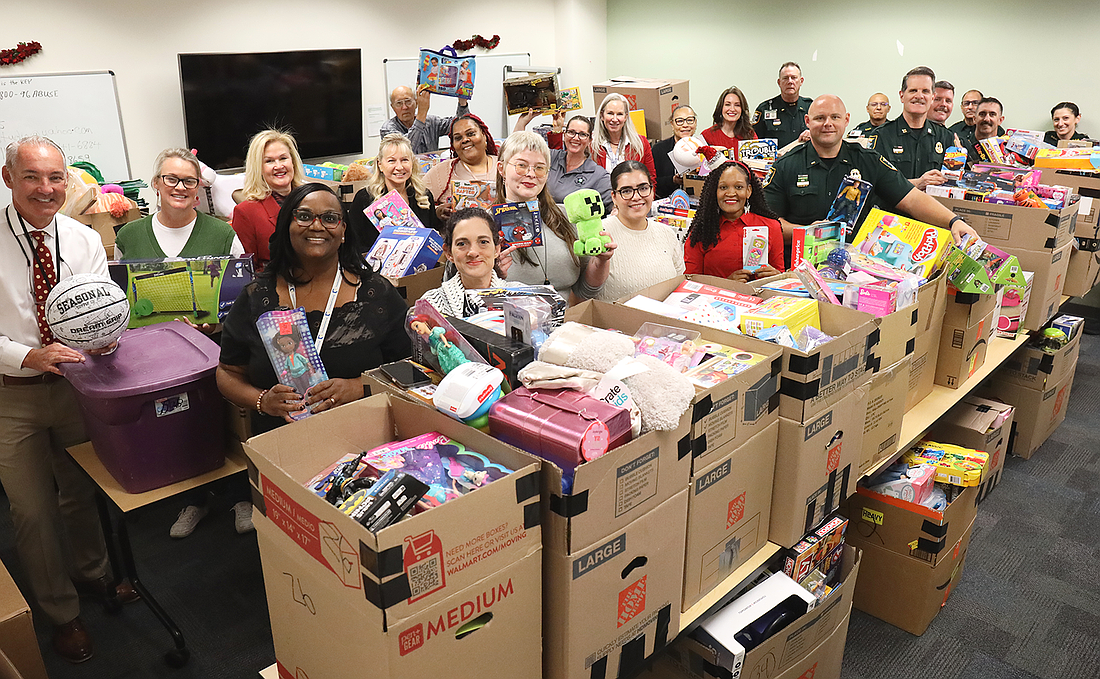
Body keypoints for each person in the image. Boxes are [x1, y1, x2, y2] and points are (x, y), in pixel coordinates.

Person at [1, 136, 138, 664]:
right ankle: (61, 613)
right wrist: (27, 356)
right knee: (32, 511)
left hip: (76, 389)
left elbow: (102, 311)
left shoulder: (83, 239)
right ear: (9, 178)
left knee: (81, 493)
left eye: (56, 177)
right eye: (32, 176)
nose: (46, 188)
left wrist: (104, 337)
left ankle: (93, 575)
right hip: (12, 397)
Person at [218, 183, 410, 435]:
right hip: (279, 443)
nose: (317, 226)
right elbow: (228, 372)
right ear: (287, 225)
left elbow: (411, 367)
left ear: (343, 230)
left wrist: (359, 387)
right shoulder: (257, 297)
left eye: (329, 218)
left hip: (362, 440)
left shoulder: (376, 295)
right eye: (304, 216)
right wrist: (262, 401)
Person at [762, 95, 979, 246]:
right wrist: (807, 232)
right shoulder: (786, 165)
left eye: (835, 117)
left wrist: (954, 221)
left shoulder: (868, 160)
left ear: (846, 120)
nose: (828, 124)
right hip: (801, 267)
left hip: (859, 268)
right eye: (820, 118)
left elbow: (912, 199)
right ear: (807, 121)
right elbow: (767, 225)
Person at [495, 131, 615, 301]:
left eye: (539, 168)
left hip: (565, 316)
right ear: (501, 169)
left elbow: (587, 291)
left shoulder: (567, 216)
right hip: (508, 315)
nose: (531, 174)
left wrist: (602, 260)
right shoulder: (485, 225)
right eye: (521, 165)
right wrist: (492, 275)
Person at [116, 148, 244, 260]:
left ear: (197, 187)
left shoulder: (223, 236)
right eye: (171, 179)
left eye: (189, 181)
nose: (181, 187)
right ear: (156, 183)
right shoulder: (128, 237)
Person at [595, 161, 684, 302]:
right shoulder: (600, 234)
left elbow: (679, 285)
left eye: (643, 188)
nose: (636, 197)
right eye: (626, 191)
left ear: (652, 191)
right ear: (614, 197)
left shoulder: (667, 234)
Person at [684, 160, 784, 281]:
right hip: (715, 293)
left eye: (738, 187)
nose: (731, 193)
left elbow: (781, 277)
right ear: (714, 192)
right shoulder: (701, 231)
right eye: (723, 187)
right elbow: (690, 282)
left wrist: (777, 276)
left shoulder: (771, 227)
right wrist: (727, 284)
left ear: (748, 191)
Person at [869, 67, 958, 190]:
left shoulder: (946, 137)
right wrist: (917, 184)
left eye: (925, 91)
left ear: (932, 97)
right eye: (913, 90)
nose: (919, 96)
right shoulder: (882, 136)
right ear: (902, 96)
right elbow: (873, 183)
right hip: (893, 203)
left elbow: (952, 186)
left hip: (932, 203)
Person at [231, 129, 307, 272]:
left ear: (293, 162)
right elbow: (247, 270)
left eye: (283, 158)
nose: (278, 166)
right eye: (269, 161)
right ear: (258, 168)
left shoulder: (312, 199)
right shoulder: (246, 211)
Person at [348, 133, 439, 249]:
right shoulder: (364, 198)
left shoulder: (424, 196)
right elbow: (353, 243)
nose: (399, 167)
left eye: (404, 160)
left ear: (412, 163)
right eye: (391, 161)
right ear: (380, 165)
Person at [419, 207, 512, 317]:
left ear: (496, 249)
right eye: (462, 244)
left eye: (483, 242)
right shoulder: (431, 304)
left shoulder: (522, 298)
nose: (473, 252)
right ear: (449, 253)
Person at [515, 111, 613, 210]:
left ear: (590, 140)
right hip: (536, 216)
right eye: (571, 132)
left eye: (582, 134)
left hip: (569, 220)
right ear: (564, 135)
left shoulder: (597, 175)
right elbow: (518, 151)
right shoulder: (551, 157)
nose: (576, 138)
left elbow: (614, 205)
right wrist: (522, 122)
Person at [424, 113, 499, 223]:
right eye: (458, 138)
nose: (464, 140)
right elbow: (417, 204)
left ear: (484, 135)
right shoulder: (442, 171)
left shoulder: (504, 166)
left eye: (470, 134)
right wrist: (437, 211)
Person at [379, 85, 470, 155]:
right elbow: (406, 150)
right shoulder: (387, 129)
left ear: (416, 103)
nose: (405, 107)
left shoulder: (431, 121)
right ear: (393, 107)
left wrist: (462, 103)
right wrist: (422, 113)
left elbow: (460, 125)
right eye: (399, 103)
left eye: (408, 101)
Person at [592, 93, 657, 179]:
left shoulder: (641, 143)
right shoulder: (591, 144)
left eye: (619, 114)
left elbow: (651, 178)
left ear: (626, 117)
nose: (614, 119)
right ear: (602, 115)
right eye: (610, 113)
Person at [752, 62, 813, 148]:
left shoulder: (811, 108)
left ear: (801, 81)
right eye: (785, 78)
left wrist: (813, 134)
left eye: (794, 77)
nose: (790, 81)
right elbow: (753, 142)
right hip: (777, 156)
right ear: (779, 82)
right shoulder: (764, 109)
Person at [652, 104, 699, 198]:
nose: (685, 125)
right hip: (666, 201)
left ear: (695, 123)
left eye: (690, 120)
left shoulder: (703, 147)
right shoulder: (659, 149)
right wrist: (673, 180)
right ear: (672, 124)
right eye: (680, 121)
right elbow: (653, 182)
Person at [970, 98, 1006, 164]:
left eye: (992, 114)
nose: (986, 119)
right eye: (982, 114)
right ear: (974, 119)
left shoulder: (1007, 150)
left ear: (1000, 120)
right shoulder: (962, 145)